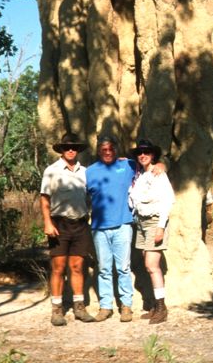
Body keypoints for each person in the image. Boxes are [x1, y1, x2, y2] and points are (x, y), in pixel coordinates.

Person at [86, 134, 166, 323]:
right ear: (98, 151)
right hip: (99, 227)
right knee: (104, 268)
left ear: (116, 149)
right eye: (103, 149)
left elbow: (151, 165)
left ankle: (126, 306)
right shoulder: (89, 171)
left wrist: (163, 165)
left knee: (123, 268)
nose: (107, 152)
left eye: (111, 149)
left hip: (123, 225)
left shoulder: (128, 166)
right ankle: (105, 306)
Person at [40, 132, 95, 326]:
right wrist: (47, 222)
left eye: (74, 147)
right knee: (58, 268)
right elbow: (44, 198)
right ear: (61, 150)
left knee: (78, 267)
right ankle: (57, 309)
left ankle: (79, 307)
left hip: (80, 224)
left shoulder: (86, 171)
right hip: (59, 224)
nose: (70, 150)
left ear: (78, 150)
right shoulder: (52, 171)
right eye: (66, 147)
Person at [128, 139, 175, 324]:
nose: (142, 155)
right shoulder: (139, 176)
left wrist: (161, 227)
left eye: (146, 152)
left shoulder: (159, 174)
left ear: (153, 155)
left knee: (152, 265)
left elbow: (167, 201)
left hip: (155, 222)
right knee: (147, 265)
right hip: (141, 222)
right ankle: (155, 305)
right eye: (139, 152)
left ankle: (162, 307)